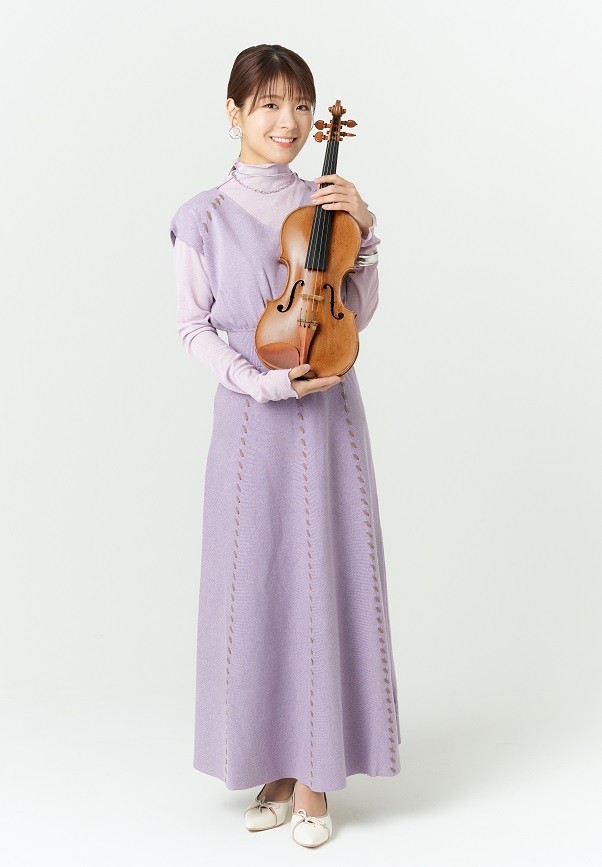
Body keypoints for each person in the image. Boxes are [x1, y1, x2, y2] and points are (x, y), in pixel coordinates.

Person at [169, 44, 401, 849]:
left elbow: (352, 309)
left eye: (301, 105)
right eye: (269, 104)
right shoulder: (201, 216)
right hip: (248, 421)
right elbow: (192, 326)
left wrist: (367, 230)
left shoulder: (327, 205)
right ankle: (270, 762)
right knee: (256, 583)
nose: (290, 121)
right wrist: (257, 380)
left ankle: (314, 777)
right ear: (233, 112)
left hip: (328, 415)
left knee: (322, 576)